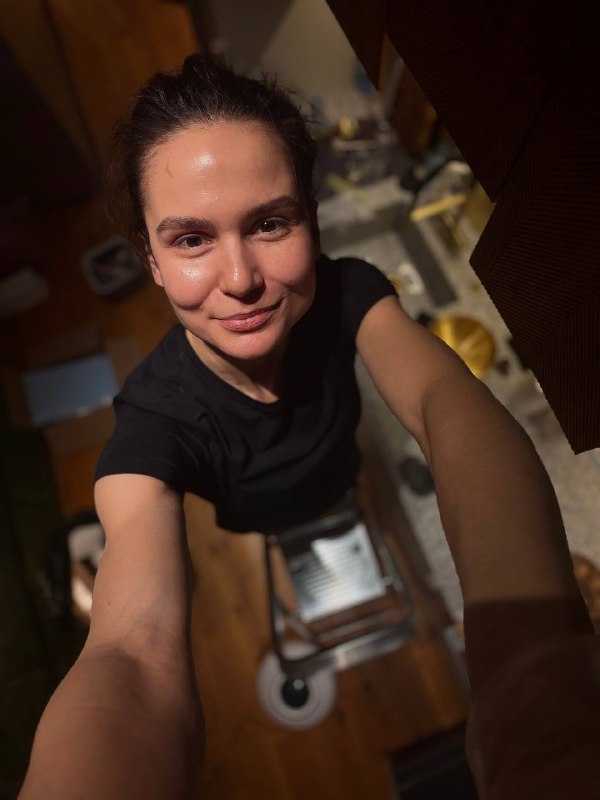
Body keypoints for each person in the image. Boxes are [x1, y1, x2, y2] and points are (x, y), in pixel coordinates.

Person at [18, 55, 599, 800]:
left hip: (339, 480)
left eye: (270, 223)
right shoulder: (152, 421)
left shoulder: (348, 291)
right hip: (266, 517)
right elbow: (131, 655)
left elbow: (443, 400)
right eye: (191, 240)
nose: (240, 279)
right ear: (152, 262)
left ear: (311, 220)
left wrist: (535, 679)